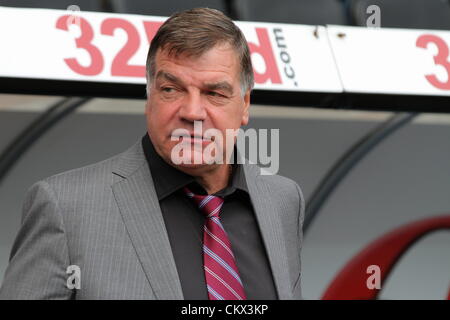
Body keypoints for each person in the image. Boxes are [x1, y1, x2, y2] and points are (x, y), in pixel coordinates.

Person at [0, 8, 304, 300]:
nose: (192, 112)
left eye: (214, 93)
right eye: (171, 89)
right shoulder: (66, 207)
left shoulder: (283, 200)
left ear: (245, 104)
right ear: (150, 96)